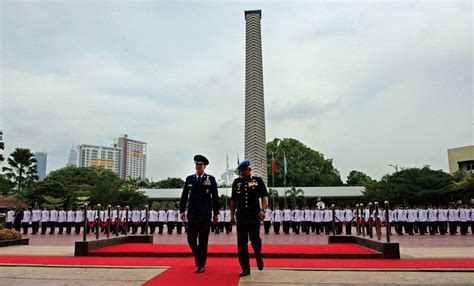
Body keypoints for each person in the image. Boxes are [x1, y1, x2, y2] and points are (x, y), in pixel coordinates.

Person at [179, 155, 219, 273]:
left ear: (204, 166)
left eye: (200, 165)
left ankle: (201, 264)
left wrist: (215, 213)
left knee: (203, 239)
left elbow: (215, 197)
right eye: (197, 164)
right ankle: (198, 255)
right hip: (192, 214)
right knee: (191, 238)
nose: (198, 167)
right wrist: (182, 210)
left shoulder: (210, 179)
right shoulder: (189, 179)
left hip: (205, 214)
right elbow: (184, 195)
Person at [230, 159, 268, 277]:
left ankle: (258, 254)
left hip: (253, 216)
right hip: (241, 216)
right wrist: (231, 215)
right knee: (241, 243)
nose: (242, 173)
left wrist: (263, 210)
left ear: (249, 170)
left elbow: (264, 197)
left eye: (244, 170)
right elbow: (233, 200)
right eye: (241, 171)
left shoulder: (257, 181)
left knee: (255, 239)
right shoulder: (236, 183)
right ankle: (245, 268)